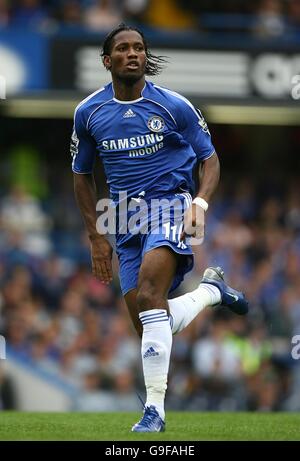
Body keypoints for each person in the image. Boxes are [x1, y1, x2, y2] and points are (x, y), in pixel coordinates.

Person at [71, 23, 249, 432]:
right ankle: (210, 292)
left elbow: (211, 159)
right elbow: (81, 175)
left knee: (151, 295)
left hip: (170, 204)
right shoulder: (89, 113)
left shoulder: (174, 106)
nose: (132, 54)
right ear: (107, 61)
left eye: (139, 48)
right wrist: (96, 236)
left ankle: (154, 411)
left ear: (144, 57)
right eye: (123, 49)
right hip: (122, 218)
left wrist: (200, 204)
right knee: (151, 320)